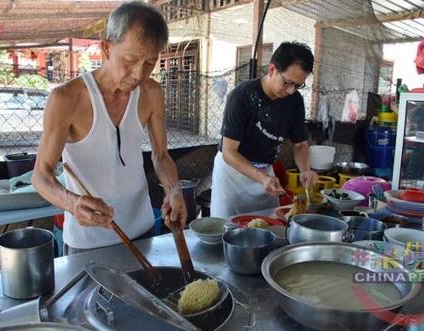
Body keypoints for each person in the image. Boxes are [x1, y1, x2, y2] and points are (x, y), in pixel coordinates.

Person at [33, 2, 186, 255]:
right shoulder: (66, 99)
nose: (138, 74)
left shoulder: (151, 92)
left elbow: (161, 156)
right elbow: (41, 176)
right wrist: (74, 204)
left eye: (149, 63)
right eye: (130, 60)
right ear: (106, 47)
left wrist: (174, 190)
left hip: (142, 229)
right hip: (88, 241)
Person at [210, 42, 318, 218]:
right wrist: (261, 178)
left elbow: (300, 145)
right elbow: (228, 152)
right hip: (233, 176)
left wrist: (305, 169)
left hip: (266, 175)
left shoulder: (295, 101)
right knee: (228, 229)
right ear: (272, 69)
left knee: (269, 228)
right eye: (287, 83)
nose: (291, 91)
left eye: (298, 86)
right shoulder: (242, 96)